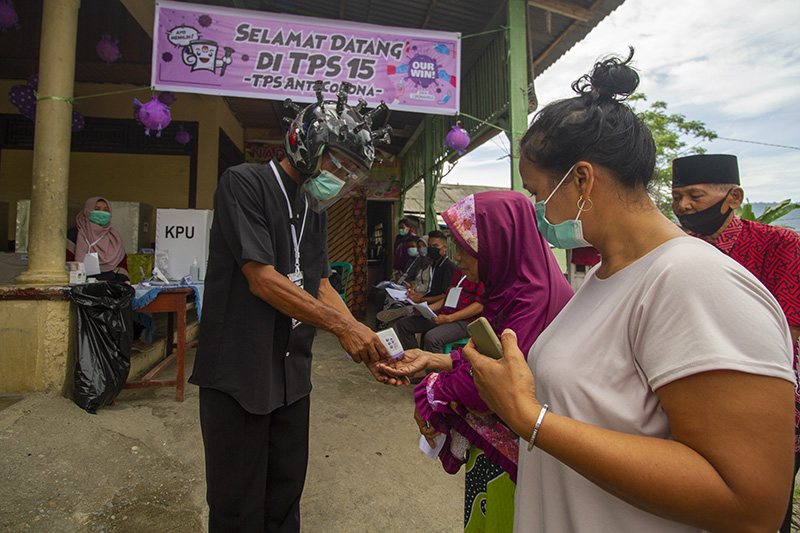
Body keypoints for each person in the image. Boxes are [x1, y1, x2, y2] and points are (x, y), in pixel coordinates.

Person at [463, 49, 796, 532]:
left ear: (581, 179)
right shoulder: (608, 276)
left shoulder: (694, 281)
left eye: (538, 194)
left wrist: (529, 417)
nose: (538, 212)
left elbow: (750, 503)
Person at [189, 83, 398, 533]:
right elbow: (262, 278)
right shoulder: (243, 183)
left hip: (290, 377)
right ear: (306, 145)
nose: (339, 177)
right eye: (337, 163)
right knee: (238, 506)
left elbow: (321, 283)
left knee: (284, 499)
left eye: (349, 171)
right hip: (240, 373)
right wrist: (345, 328)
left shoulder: (314, 210)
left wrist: (368, 344)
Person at [378, 191, 573, 531]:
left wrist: (430, 392)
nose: (458, 259)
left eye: (463, 248)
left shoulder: (532, 297)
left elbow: (491, 381)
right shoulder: (512, 287)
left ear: (498, 243)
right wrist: (433, 360)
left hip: (521, 455)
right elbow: (487, 353)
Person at [671, 153, 800, 533]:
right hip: (691, 397)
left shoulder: (780, 244)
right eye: (677, 197)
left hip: (765, 403)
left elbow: (787, 334)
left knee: (760, 513)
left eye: (694, 195)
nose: (684, 206)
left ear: (735, 196)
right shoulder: (677, 249)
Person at [392, 268, 483, 354]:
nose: (457, 257)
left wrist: (449, 318)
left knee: (432, 338)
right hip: (445, 314)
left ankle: (437, 369)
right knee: (404, 325)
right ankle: (415, 360)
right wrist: (425, 309)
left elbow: (479, 305)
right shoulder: (460, 271)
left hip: (466, 321)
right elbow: (448, 298)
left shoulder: (483, 274)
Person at [376, 230, 457, 324]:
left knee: (403, 323)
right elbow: (431, 289)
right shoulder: (433, 264)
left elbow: (445, 295)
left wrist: (421, 300)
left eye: (435, 246)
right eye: (429, 246)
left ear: (445, 247)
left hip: (437, 308)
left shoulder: (448, 267)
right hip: (426, 300)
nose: (431, 249)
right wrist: (417, 295)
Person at [67, 197, 129, 282]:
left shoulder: (114, 236)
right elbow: (66, 262)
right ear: (87, 211)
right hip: (82, 284)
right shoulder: (74, 234)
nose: (101, 213)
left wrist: (122, 281)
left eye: (106, 210)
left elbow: (122, 263)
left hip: (110, 285)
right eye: (97, 209)